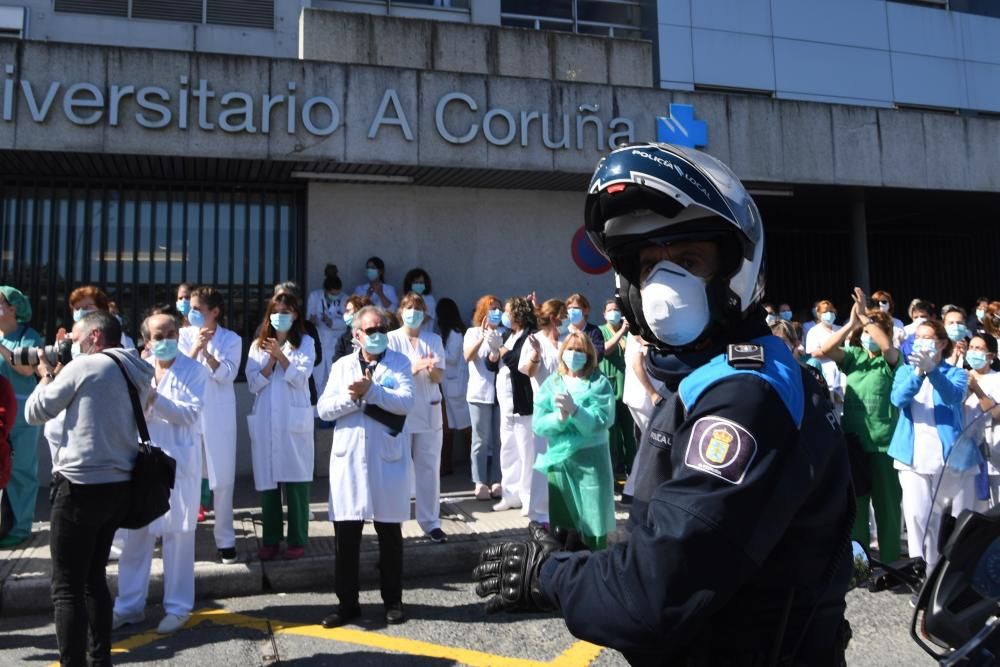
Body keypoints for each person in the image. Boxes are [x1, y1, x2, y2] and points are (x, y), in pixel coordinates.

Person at [474, 142, 853, 663]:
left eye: (688, 259)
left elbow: (657, 587)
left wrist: (549, 574)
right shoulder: (715, 375)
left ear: (733, 269)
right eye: (649, 265)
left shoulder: (747, 393)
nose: (663, 284)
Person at [24, 311, 154, 667]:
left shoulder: (87, 367)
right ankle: (101, 660)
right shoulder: (136, 368)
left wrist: (46, 375)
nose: (71, 345)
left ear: (95, 336)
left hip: (80, 488)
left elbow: (35, 412)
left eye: (76, 338)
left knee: (66, 587)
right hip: (118, 487)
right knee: (93, 578)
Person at [317, 305, 414, 627]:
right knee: (346, 537)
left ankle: (393, 600)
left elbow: (405, 402)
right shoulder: (342, 366)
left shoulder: (399, 362)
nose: (377, 335)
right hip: (349, 460)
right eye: (370, 331)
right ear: (357, 335)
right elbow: (324, 409)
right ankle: (347, 604)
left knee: (389, 533)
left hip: (386, 458)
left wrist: (371, 391)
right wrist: (356, 399)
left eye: (381, 329)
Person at [113, 313, 207, 634]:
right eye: (158, 335)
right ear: (147, 340)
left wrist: (153, 397)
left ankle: (178, 607)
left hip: (178, 462)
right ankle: (129, 606)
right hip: (143, 461)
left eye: (170, 332)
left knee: (178, 537)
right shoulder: (136, 370)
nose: (165, 339)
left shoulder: (194, 371)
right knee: (136, 536)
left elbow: (190, 414)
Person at [818, 288, 903, 564]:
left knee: (887, 509)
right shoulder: (854, 357)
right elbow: (825, 350)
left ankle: (889, 563)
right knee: (857, 508)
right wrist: (852, 325)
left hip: (883, 445)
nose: (869, 336)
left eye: (875, 331)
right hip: (854, 443)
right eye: (867, 331)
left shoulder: (890, 361)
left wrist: (868, 319)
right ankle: (860, 565)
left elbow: (888, 348)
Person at [888, 318, 971, 570]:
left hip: (945, 457)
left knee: (939, 519)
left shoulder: (955, 373)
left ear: (942, 343)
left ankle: (937, 572)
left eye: (928, 338)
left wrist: (933, 371)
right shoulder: (905, 370)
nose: (922, 342)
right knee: (915, 516)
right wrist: (917, 373)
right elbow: (898, 399)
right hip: (911, 456)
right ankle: (918, 570)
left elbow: (953, 396)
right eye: (919, 338)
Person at [245, 292, 315, 561]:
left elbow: (300, 379)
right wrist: (271, 359)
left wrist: (281, 357)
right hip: (265, 419)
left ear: (295, 315)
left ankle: (297, 538)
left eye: (286, 311)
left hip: (292, 419)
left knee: (296, 481)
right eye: (276, 311)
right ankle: (271, 539)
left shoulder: (306, 343)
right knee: (268, 482)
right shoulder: (257, 346)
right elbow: (253, 384)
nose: (280, 316)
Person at [532, 331, 616, 550]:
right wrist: (559, 419)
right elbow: (539, 423)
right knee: (563, 521)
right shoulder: (553, 383)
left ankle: (596, 567)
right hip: (560, 462)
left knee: (594, 519)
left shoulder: (599, 383)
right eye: (570, 349)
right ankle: (564, 569)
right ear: (562, 353)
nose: (574, 354)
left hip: (591, 462)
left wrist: (577, 412)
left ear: (589, 354)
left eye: (580, 350)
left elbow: (602, 420)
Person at [178, 286, 243, 564]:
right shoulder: (181, 336)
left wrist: (209, 352)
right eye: (190, 308)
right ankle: (184, 536)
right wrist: (195, 348)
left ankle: (225, 540)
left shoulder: (232, 339)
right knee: (187, 477)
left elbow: (228, 374)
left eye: (197, 309)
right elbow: (178, 369)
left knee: (223, 480)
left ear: (214, 312)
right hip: (190, 415)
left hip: (219, 415)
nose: (191, 314)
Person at [387, 293, 448, 543]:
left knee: (429, 468)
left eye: (418, 309)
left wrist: (432, 370)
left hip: (429, 410)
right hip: (401, 412)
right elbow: (387, 375)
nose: (414, 312)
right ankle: (394, 520)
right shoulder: (391, 339)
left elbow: (439, 378)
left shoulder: (433, 339)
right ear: (401, 311)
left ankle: (431, 522)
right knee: (397, 468)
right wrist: (414, 367)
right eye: (409, 308)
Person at [490, 296, 547, 523]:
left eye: (507, 310)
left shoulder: (527, 335)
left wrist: (501, 349)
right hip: (505, 401)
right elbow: (492, 363)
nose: (504, 314)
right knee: (508, 447)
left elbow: (516, 361)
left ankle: (527, 496)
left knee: (526, 451)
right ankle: (509, 493)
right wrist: (493, 350)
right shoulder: (507, 334)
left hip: (522, 400)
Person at [0, 286, 43, 548]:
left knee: (22, 469)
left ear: (13, 308)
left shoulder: (29, 336)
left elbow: (27, 370)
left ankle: (20, 526)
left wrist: (2, 347)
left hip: (22, 412)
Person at [464, 295, 503, 501]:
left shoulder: (505, 332)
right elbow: (468, 356)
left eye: (498, 308)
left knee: (499, 439)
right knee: (480, 439)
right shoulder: (472, 332)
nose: (496, 312)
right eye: (491, 309)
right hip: (479, 393)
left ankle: (497, 479)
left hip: (501, 394)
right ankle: (479, 481)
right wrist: (483, 337)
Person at [598, 298, 635, 479]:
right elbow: (604, 350)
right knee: (611, 434)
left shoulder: (631, 333)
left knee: (629, 432)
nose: (614, 313)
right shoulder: (601, 331)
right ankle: (614, 471)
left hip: (628, 385)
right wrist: (621, 331)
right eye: (610, 310)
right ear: (604, 314)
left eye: (616, 310)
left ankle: (632, 470)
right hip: (609, 387)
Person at [964, 333, 1000, 508]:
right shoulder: (960, 376)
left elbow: (997, 414)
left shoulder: (997, 379)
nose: (973, 352)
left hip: (992, 455)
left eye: (978, 348)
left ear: (991, 355)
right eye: (971, 347)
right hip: (965, 454)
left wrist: (977, 389)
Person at [437, 298, 471, 477]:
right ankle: (446, 465)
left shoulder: (456, 332)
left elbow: (452, 357)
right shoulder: (448, 332)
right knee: (447, 428)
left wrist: (435, 351)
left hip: (457, 386)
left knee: (465, 427)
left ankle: (472, 463)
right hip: (448, 385)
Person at [307, 264, 348, 396]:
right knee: (318, 377)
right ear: (326, 290)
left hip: (336, 341)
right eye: (332, 294)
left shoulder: (345, 298)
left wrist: (332, 322)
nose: (335, 296)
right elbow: (309, 318)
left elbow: (347, 321)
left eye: (337, 294)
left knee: (335, 377)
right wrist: (313, 321)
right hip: (320, 340)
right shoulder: (315, 296)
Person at [564, 293, 605, 362]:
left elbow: (599, 354)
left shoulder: (594, 331)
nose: (572, 311)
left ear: (586, 310)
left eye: (576, 308)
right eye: (569, 308)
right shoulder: (563, 330)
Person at [334, 295, 369, 364]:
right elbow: (336, 363)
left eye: (348, 311)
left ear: (359, 312)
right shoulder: (343, 339)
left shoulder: (373, 337)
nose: (345, 314)